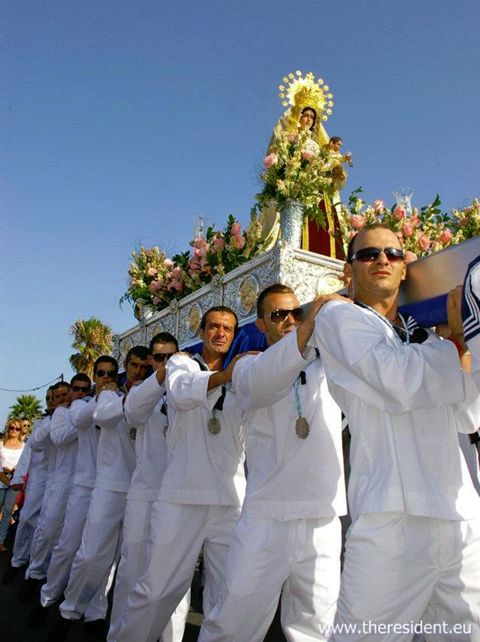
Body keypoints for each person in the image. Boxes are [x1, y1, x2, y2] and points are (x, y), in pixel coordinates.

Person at [310, 223, 480, 640]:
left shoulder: (423, 335)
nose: (382, 259)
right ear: (349, 272)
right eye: (368, 254)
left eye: (393, 253)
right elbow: (396, 380)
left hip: (459, 514)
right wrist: (457, 346)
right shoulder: (339, 317)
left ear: (405, 268)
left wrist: (461, 346)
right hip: (392, 520)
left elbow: (469, 416)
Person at [199, 284, 346, 642]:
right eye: (278, 315)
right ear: (262, 325)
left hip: (322, 518)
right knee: (232, 624)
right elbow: (263, 384)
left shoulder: (326, 362)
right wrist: (311, 326)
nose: (290, 321)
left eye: (297, 313)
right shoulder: (250, 365)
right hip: (266, 520)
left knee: (317, 629)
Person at [114, 306, 246, 642]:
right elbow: (183, 392)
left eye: (228, 328)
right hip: (181, 497)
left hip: (230, 500)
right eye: (214, 326)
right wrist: (226, 375)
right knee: (155, 590)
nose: (220, 333)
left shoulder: (243, 372)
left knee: (228, 597)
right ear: (201, 332)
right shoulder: (182, 364)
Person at [47, 347, 150, 642]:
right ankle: (68, 610)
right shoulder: (108, 397)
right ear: (125, 369)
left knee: (121, 560)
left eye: (145, 367)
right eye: (133, 366)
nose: (139, 372)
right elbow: (102, 418)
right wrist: (134, 395)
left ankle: (96, 613)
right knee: (90, 554)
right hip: (107, 485)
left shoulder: (157, 396)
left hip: (140, 489)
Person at [108, 333, 189, 642]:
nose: (164, 363)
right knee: (131, 571)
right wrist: (159, 379)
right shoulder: (143, 392)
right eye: (158, 358)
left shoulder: (186, 386)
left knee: (174, 577)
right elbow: (132, 413)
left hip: (176, 493)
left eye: (170, 357)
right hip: (144, 492)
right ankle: (119, 635)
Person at [29, 367, 109, 624]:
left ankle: (91, 608)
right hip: (72, 484)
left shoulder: (103, 405)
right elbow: (60, 437)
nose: (80, 394)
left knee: (98, 553)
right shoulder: (64, 412)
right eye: (76, 390)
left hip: (102, 485)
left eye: (86, 390)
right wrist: (85, 414)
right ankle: (46, 591)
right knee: (62, 542)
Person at [2, 388, 54, 583]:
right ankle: (17, 561)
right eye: (49, 398)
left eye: (57, 397)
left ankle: (38, 571)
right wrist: (19, 477)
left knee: (49, 528)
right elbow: (29, 451)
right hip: (39, 478)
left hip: (63, 480)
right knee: (26, 520)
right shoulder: (42, 422)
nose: (52, 401)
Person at [0, 418, 25, 552]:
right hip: (2, 481)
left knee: (8, 512)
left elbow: (25, 465)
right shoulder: (1, 445)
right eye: (11, 428)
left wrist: (14, 473)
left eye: (17, 428)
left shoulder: (24, 447)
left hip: (15, 484)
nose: (14, 431)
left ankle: (1, 540)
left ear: (21, 431)